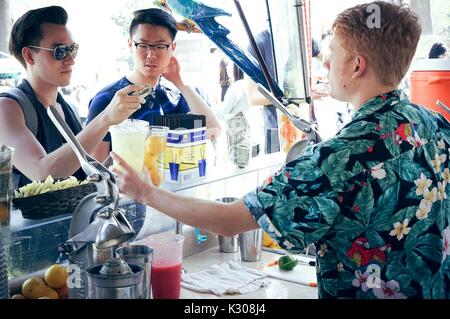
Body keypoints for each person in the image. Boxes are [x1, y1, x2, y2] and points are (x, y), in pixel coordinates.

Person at [111, 1, 450, 299]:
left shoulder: (339, 159)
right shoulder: (437, 124)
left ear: (356, 66)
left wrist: (144, 192)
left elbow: (231, 222)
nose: (326, 65)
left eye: (332, 56)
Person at [0, 6, 142, 188]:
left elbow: (77, 171)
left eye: (72, 49)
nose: (71, 60)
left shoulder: (68, 108)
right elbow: (41, 174)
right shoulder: (8, 108)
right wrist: (106, 118)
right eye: (59, 51)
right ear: (29, 55)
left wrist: (114, 165)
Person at [86, 8, 222, 163]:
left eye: (160, 46)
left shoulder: (175, 96)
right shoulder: (108, 99)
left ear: (172, 48)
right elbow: (97, 170)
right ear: (130, 45)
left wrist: (181, 83)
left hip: (171, 186)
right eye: (143, 45)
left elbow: (214, 130)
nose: (151, 54)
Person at [245, 29, 281, 154]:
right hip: (276, 127)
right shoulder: (259, 43)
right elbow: (253, 97)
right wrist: (295, 95)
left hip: (310, 124)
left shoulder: (302, 34)